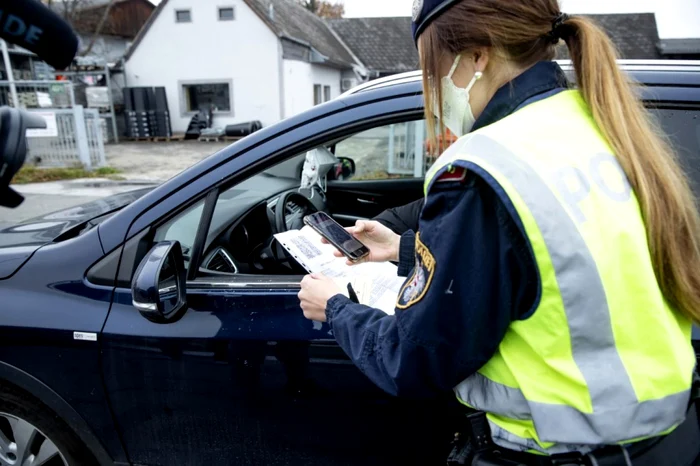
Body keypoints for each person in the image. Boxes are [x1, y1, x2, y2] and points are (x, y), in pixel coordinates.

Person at [298, 0, 700, 464]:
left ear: (476, 56)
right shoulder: (597, 126)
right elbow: (560, 257)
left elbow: (415, 361)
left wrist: (335, 308)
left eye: (432, 68)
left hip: (558, 452)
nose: (434, 89)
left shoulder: (482, 167)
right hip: (668, 439)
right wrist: (404, 248)